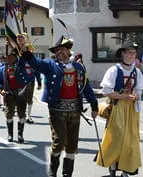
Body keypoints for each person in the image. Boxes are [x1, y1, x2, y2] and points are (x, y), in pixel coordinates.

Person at [21, 36, 98, 177]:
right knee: (59, 140)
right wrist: (26, 51)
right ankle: (52, 171)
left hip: (75, 110)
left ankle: (67, 173)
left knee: (72, 144)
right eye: (57, 50)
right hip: (57, 109)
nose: (59, 52)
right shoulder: (50, 65)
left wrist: (94, 105)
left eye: (62, 49)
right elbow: (36, 63)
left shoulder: (79, 67)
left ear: (69, 51)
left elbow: (86, 88)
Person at [96, 41, 143, 177]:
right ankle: (112, 170)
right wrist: (124, 96)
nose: (131, 55)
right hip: (117, 107)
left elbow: (139, 90)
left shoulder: (137, 71)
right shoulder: (114, 70)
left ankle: (125, 171)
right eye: (129, 52)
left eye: (133, 53)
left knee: (130, 141)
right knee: (115, 139)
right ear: (122, 53)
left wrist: (135, 96)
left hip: (131, 110)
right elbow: (106, 91)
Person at [0, 48, 32, 143]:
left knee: (22, 115)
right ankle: (10, 134)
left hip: (21, 93)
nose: (9, 59)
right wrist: (1, 90)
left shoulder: (22, 66)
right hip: (9, 93)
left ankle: (20, 134)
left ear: (16, 57)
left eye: (12, 57)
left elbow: (29, 77)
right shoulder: (3, 69)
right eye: (8, 57)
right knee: (9, 114)